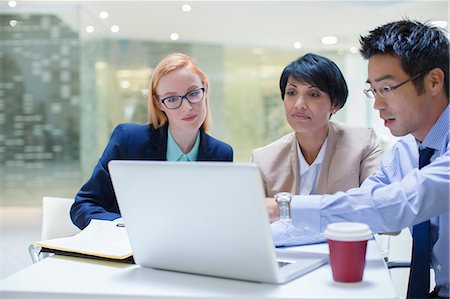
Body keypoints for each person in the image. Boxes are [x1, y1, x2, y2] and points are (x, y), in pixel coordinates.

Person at [268, 20, 449, 298]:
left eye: (387, 88)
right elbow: (357, 214)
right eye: (373, 91)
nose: (377, 104)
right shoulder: (406, 152)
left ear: (434, 81)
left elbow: (400, 204)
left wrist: (285, 206)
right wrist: (264, 236)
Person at [71, 53, 233, 230]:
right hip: (129, 251)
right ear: (159, 103)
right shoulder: (128, 140)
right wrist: (127, 228)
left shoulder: (222, 154)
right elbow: (84, 205)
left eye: (193, 93)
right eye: (172, 99)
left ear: (205, 90)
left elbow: (217, 218)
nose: (187, 107)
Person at [252, 53, 383, 245]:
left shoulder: (362, 143)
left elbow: (380, 211)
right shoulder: (264, 158)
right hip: (284, 259)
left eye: (313, 94)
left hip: (345, 253)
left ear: (335, 104)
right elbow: (251, 223)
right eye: (291, 93)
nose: (299, 104)